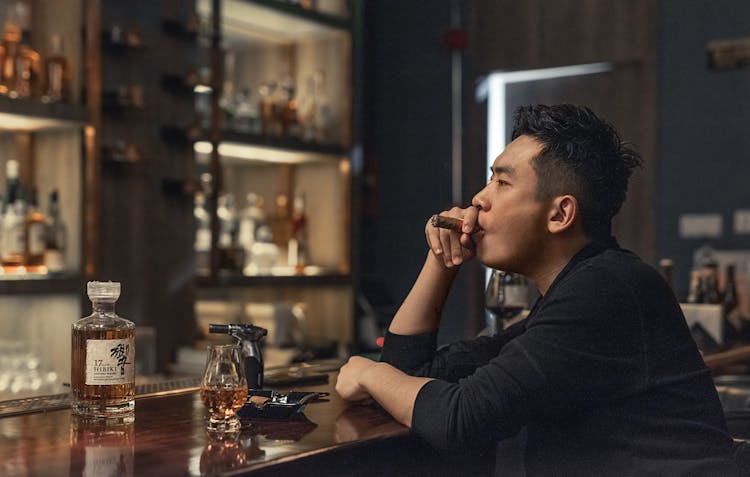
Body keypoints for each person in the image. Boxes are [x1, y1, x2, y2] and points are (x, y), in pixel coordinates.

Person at [336, 104, 741, 476]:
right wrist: (440, 260)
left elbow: (462, 418)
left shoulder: (607, 290)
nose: (479, 198)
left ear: (560, 213)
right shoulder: (571, 296)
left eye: (501, 182)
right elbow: (408, 375)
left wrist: (369, 372)